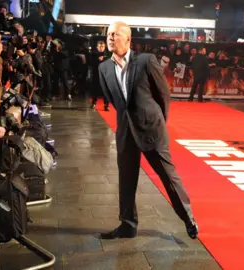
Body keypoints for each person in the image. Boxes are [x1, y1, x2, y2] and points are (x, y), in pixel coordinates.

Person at [98, 22, 198, 240]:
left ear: (128, 39)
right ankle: (127, 225)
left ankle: (188, 218)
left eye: (116, 34)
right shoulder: (104, 68)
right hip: (125, 132)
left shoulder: (145, 61)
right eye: (108, 34)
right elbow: (115, 101)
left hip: (152, 127)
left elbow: (163, 94)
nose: (110, 37)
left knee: (168, 176)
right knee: (126, 180)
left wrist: (157, 119)